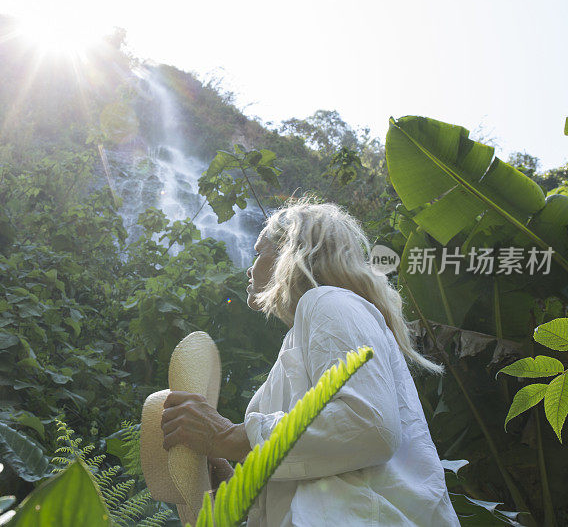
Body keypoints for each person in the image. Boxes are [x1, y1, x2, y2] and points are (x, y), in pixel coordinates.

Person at [161, 196, 461, 525]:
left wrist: (228, 436)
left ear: (291, 253)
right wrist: (225, 467)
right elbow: (315, 480)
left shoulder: (328, 301)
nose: (249, 267)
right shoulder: (310, 329)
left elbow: (367, 425)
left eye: (258, 252)